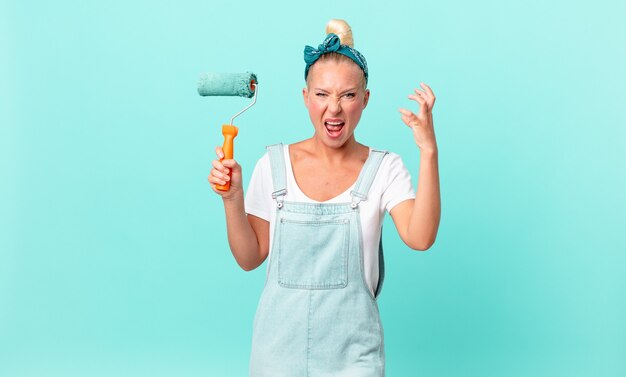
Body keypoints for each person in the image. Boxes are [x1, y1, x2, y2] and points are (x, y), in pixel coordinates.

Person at [208, 19, 440, 377]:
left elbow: (420, 237)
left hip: (354, 360)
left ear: (365, 100)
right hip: (276, 357)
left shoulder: (385, 168)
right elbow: (249, 257)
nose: (334, 108)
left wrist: (428, 152)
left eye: (348, 95)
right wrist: (232, 199)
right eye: (322, 94)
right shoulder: (273, 164)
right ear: (305, 98)